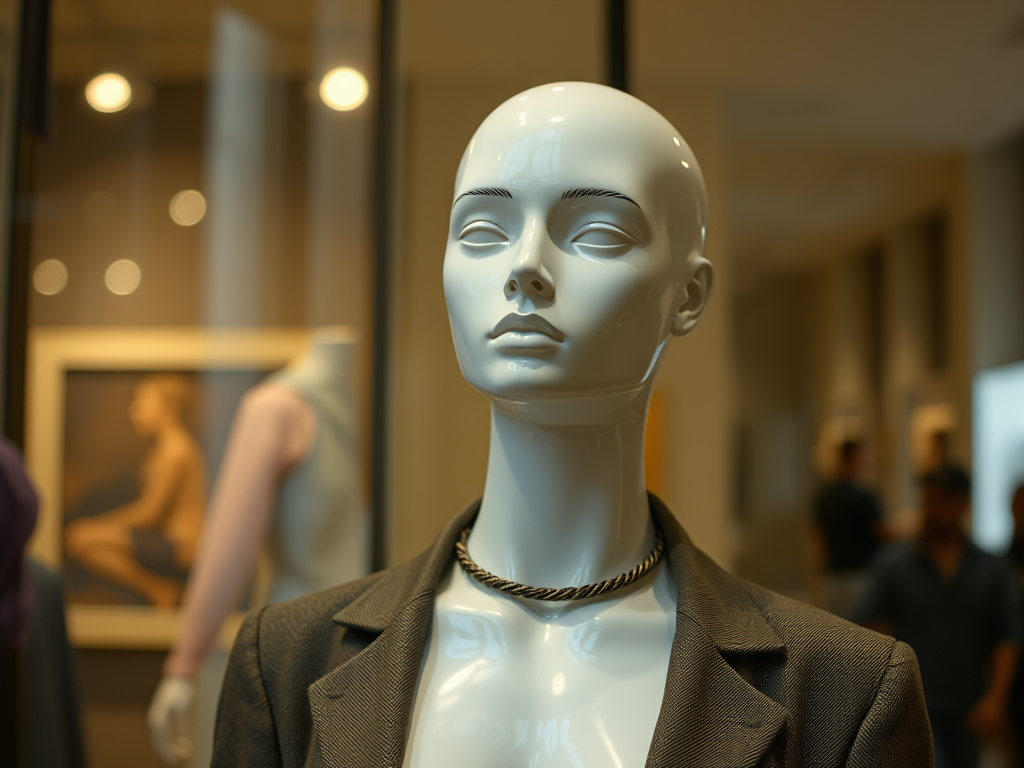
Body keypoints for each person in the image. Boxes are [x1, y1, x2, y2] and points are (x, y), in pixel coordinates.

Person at [212, 82, 931, 768]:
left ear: (688, 295)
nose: (525, 267)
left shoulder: (844, 691)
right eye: (484, 229)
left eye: (596, 231)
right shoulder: (285, 661)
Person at [853, 465, 1021, 768]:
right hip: (916, 705)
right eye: (927, 500)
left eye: (942, 501)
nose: (932, 509)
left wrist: (997, 699)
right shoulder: (894, 564)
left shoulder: (990, 568)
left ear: (963, 505)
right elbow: (865, 622)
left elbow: (1008, 635)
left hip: (969, 705)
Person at [65, 374, 206, 607]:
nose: (134, 411)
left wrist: (98, 528)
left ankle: (160, 591)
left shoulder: (177, 451)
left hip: (179, 545)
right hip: (163, 539)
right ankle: (158, 590)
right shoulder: (166, 448)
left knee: (83, 539)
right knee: (82, 539)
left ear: (169, 409)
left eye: (143, 403)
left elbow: (149, 513)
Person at [813, 439, 888, 618]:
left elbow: (818, 539)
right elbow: (883, 533)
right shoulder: (863, 497)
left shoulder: (825, 496)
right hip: (861, 578)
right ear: (856, 458)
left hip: (832, 579)